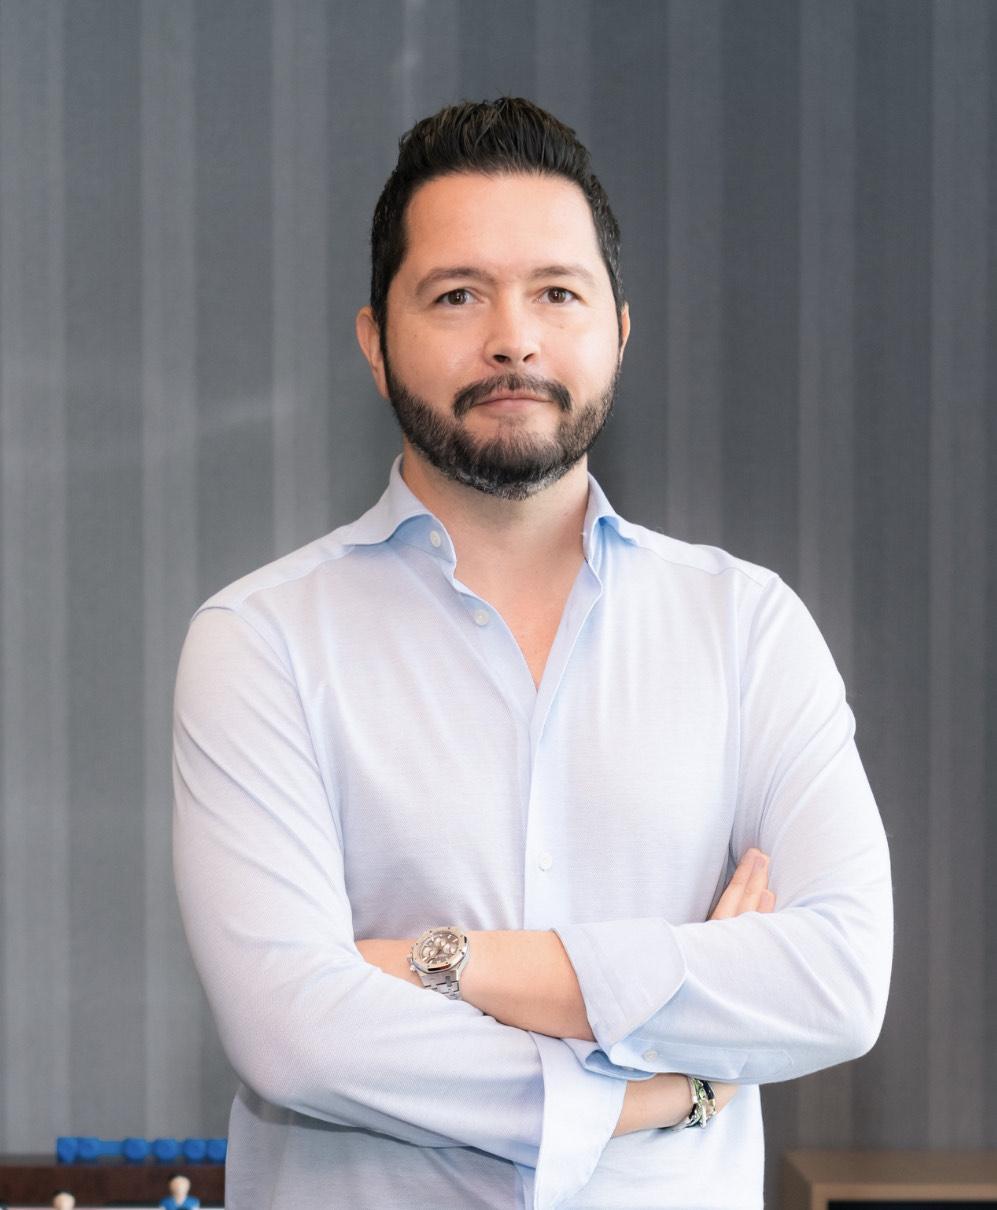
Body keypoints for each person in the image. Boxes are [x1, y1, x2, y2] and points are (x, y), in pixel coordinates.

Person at [173, 97, 893, 1210]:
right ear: (374, 343)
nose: (513, 337)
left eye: (557, 292)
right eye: (456, 295)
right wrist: (666, 1081)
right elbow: (295, 1037)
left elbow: (838, 981)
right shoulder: (259, 642)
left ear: (618, 330)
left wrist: (441, 963)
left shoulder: (748, 627)